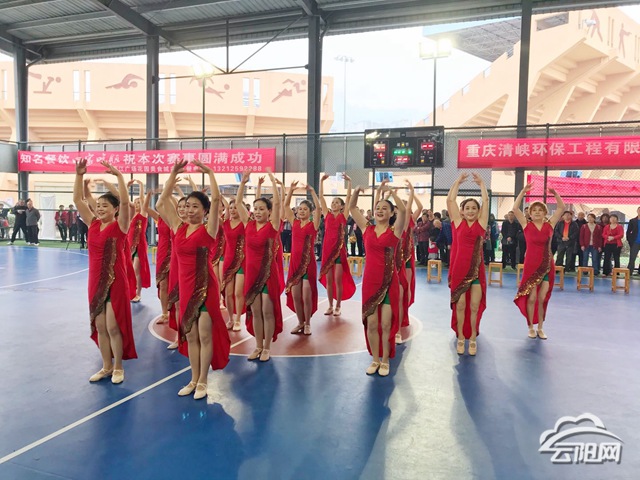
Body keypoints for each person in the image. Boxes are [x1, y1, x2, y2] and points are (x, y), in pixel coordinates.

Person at [157, 160, 230, 399]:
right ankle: (193, 378)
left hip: (206, 287)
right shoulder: (178, 227)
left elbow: (217, 200)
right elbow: (160, 203)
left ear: (205, 211)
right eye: (187, 206)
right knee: (190, 335)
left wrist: (210, 173)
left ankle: (203, 382)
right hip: (186, 288)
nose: (189, 210)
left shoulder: (208, 230)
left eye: (195, 206)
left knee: (205, 335)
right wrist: (172, 174)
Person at [73, 159, 136, 384]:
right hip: (95, 282)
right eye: (98, 205)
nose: (99, 208)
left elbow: (126, 203)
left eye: (105, 206)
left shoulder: (120, 226)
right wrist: (79, 175)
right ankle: (106, 366)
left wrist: (119, 177)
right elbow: (77, 200)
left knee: (113, 326)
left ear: (115, 209)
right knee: (100, 326)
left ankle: (118, 367)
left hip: (116, 281)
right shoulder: (92, 224)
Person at [349, 181, 408, 376]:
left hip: (389, 282)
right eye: (378, 208)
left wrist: (391, 192)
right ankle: (375, 359)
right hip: (370, 282)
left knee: (386, 324)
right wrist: (356, 191)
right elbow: (352, 207)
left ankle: (385, 360)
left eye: (384, 208)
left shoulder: (395, 230)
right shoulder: (366, 228)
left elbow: (403, 210)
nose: (380, 210)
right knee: (372, 324)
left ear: (391, 213)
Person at [236, 169, 283, 362]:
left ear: (269, 211)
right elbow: (238, 203)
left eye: (262, 209)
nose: (257, 212)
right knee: (255, 312)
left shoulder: (273, 226)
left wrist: (272, 181)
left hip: (268, 274)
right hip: (251, 274)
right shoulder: (247, 224)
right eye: (255, 208)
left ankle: (267, 347)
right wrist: (243, 183)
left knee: (267, 311)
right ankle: (257, 346)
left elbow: (278, 203)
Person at [512, 184, 565, 340]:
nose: (537, 212)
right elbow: (515, 209)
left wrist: (555, 193)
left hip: (547, 265)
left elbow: (561, 208)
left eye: (540, 210)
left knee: (542, 298)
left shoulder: (550, 225)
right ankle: (530, 327)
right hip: (531, 264)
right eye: (534, 210)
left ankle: (540, 327)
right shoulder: (526, 225)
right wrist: (522, 191)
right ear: (530, 213)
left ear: (544, 213)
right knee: (532, 298)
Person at [446, 172, 489, 356]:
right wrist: (457, 182)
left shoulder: (481, 224)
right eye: (467, 208)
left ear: (478, 212)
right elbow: (450, 201)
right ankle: (461, 338)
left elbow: (485, 201)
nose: (471, 211)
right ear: (462, 211)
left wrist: (482, 185)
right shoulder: (457, 223)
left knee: (474, 307)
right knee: (461, 305)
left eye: (474, 208)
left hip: (477, 271)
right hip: (459, 270)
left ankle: (472, 338)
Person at [284, 182, 321, 335]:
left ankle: (308, 324)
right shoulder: (294, 223)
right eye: (300, 209)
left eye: (305, 209)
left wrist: (312, 191)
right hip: (294, 264)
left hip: (308, 264)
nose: (301, 211)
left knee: (306, 296)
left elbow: (319, 209)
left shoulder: (313, 225)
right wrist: (291, 191)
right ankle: (300, 322)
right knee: (296, 296)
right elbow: (286, 207)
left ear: (310, 212)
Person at [318, 173, 356, 316]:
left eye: (337, 203)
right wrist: (321, 182)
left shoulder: (343, 215)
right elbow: (321, 197)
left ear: (341, 206)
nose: (334, 204)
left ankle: (338, 306)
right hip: (327, 250)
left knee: (338, 280)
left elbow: (349, 198)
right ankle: (330, 305)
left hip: (339, 251)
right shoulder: (327, 215)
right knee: (329, 281)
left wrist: (350, 182)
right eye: (333, 202)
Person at [220, 197, 246, 332]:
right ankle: (230, 318)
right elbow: (214, 212)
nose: (233, 210)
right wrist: (217, 197)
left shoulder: (245, 223)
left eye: (235, 207)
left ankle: (238, 319)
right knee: (228, 293)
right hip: (228, 260)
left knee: (238, 292)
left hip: (242, 261)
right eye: (230, 208)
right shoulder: (225, 223)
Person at [127, 182, 152, 302]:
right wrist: (126, 187)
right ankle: (130, 291)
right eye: (135, 202)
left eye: (139, 202)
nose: (137, 204)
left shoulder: (143, 215)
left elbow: (142, 199)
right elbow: (125, 201)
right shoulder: (130, 216)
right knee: (129, 270)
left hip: (140, 245)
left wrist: (141, 186)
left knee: (136, 270)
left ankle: (138, 293)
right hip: (129, 245)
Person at [625, 206, 640, 275]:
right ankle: (629, 272)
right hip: (635, 242)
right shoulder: (632, 221)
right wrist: (630, 241)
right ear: (637, 211)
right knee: (632, 258)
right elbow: (628, 232)